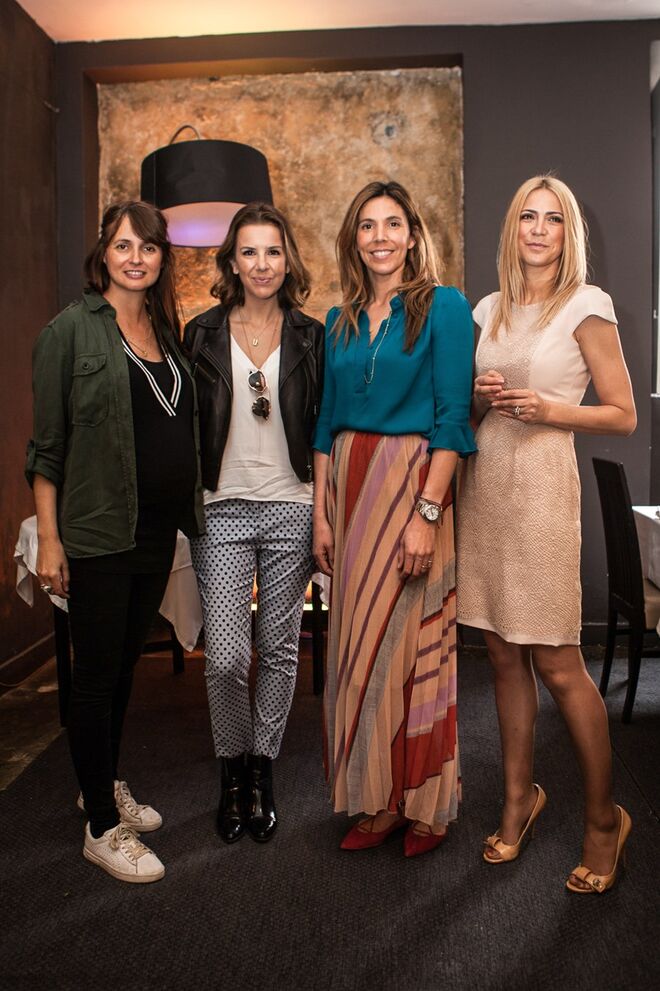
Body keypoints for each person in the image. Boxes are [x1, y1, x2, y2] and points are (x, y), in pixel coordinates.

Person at [456, 175, 636, 893]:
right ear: (513, 229)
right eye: (527, 216)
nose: (537, 228)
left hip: (540, 491)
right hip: (485, 488)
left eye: (552, 218)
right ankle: (518, 799)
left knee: (559, 662)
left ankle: (604, 819)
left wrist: (551, 408)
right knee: (503, 654)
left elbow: (622, 413)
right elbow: (469, 412)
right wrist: (479, 398)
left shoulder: (587, 305)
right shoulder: (488, 308)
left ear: (568, 233)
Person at [27, 201, 204, 883]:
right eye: (124, 245)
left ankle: (98, 782)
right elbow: (47, 448)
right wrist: (50, 538)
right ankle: (101, 827)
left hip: (154, 531)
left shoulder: (163, 327)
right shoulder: (68, 332)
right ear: (103, 251)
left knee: (125, 666)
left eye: (149, 247)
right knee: (96, 676)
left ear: (162, 257)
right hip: (98, 530)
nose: (136, 257)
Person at [313, 180, 476, 858]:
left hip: (412, 485)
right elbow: (325, 423)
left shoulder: (444, 306)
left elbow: (453, 419)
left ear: (412, 236)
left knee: (414, 645)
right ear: (354, 240)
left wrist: (426, 515)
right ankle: (377, 799)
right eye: (367, 226)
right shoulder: (339, 319)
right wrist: (322, 517)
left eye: (392, 224)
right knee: (357, 650)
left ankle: (426, 804)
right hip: (349, 493)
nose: (379, 237)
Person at [184, 202, 324, 844]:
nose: (262, 264)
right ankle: (231, 772)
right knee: (225, 658)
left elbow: (325, 427)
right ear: (232, 263)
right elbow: (184, 424)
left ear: (287, 261)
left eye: (273, 251)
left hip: (293, 503)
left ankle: (261, 772)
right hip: (222, 506)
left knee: (279, 649)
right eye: (249, 252)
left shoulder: (312, 336)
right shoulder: (201, 333)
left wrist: (325, 508)